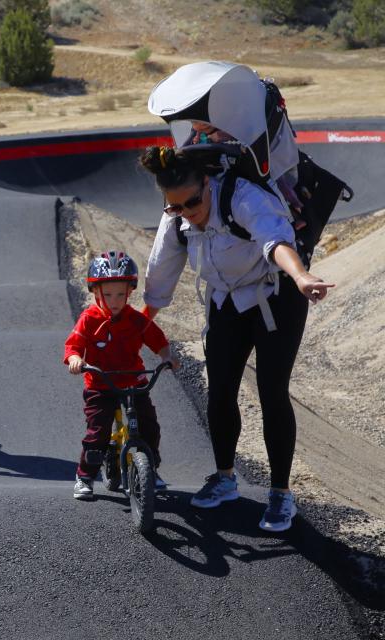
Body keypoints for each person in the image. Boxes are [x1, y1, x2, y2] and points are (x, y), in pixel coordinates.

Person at [140, 145, 333, 532]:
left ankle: (280, 495)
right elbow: (160, 273)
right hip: (225, 301)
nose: (188, 214)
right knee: (221, 390)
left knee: (271, 391)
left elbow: (276, 242)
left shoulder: (244, 197)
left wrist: (301, 278)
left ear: (206, 184)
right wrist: (138, 326)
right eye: (176, 207)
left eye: (192, 203)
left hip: (277, 295)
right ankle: (225, 478)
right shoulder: (177, 217)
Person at [64, 250, 180, 501]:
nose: (114, 301)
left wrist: (166, 356)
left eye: (120, 294)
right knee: (98, 431)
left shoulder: (136, 319)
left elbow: (158, 340)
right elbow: (73, 345)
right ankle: (85, 476)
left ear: (130, 292)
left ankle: (150, 469)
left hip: (132, 380)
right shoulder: (89, 319)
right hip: (100, 383)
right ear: (95, 292)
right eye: (107, 295)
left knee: (148, 424)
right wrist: (75, 359)